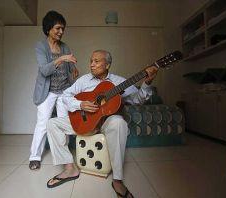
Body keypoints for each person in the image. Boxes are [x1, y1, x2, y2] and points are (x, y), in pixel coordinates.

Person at [45, 50, 158, 197]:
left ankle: (117, 180)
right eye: (91, 61)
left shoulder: (119, 82)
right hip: (85, 122)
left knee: (119, 123)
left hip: (106, 123)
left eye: (97, 61)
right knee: (52, 123)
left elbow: (138, 99)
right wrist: (80, 105)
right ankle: (70, 168)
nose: (92, 64)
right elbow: (66, 96)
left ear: (107, 65)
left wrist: (147, 82)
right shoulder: (84, 80)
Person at [29, 10, 79, 170]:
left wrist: (74, 69)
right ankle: (34, 156)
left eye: (63, 29)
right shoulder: (41, 46)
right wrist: (63, 58)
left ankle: (64, 156)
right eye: (58, 28)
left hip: (64, 90)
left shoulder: (65, 46)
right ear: (49, 28)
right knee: (43, 123)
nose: (61, 32)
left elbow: (70, 66)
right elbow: (44, 70)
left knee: (64, 123)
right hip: (48, 91)